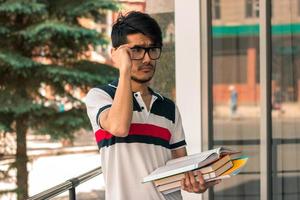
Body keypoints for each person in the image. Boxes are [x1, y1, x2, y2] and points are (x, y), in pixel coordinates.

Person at [85, 11, 220, 200]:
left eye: (152, 49)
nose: (147, 58)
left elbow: (182, 167)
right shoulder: (100, 96)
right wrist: (124, 70)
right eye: (136, 50)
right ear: (117, 54)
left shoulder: (169, 108)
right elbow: (119, 127)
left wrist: (196, 184)